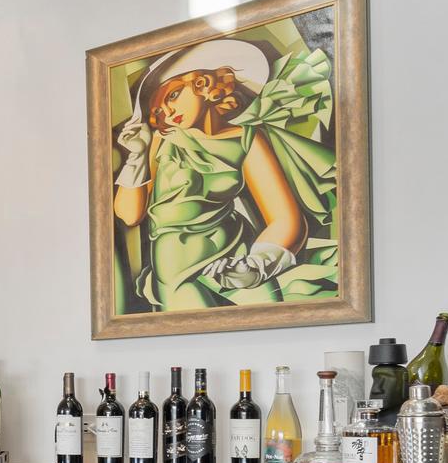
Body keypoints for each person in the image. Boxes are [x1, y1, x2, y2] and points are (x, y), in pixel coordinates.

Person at [111, 36, 337, 312]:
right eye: (158, 110)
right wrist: (136, 156)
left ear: (204, 84)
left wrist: (257, 265)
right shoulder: (162, 141)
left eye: (173, 95)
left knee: (270, 316)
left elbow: (285, 218)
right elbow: (129, 214)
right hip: (176, 269)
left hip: (235, 260)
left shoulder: (247, 138)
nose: (168, 112)